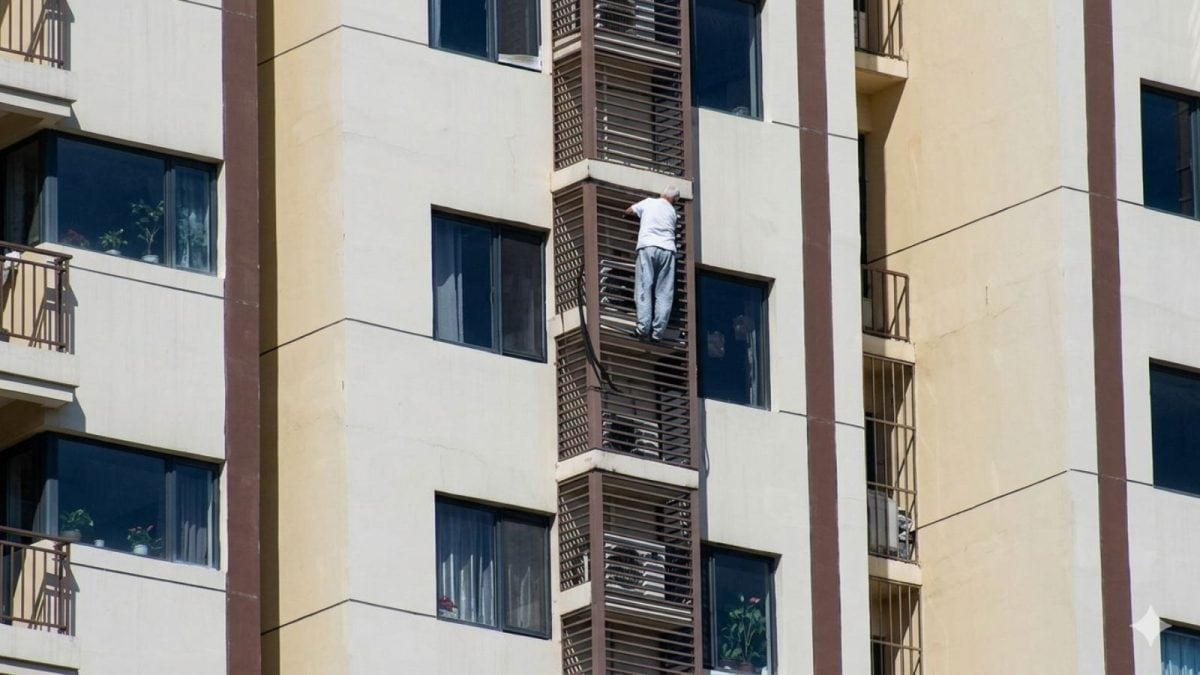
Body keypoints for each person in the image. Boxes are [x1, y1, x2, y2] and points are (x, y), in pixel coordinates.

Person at [625, 187, 679, 341]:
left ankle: (643, 329)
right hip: (668, 250)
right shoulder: (673, 213)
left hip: (648, 247)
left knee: (644, 287)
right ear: (674, 201)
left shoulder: (649, 202)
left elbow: (629, 211)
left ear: (662, 194)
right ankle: (657, 334)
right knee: (664, 293)